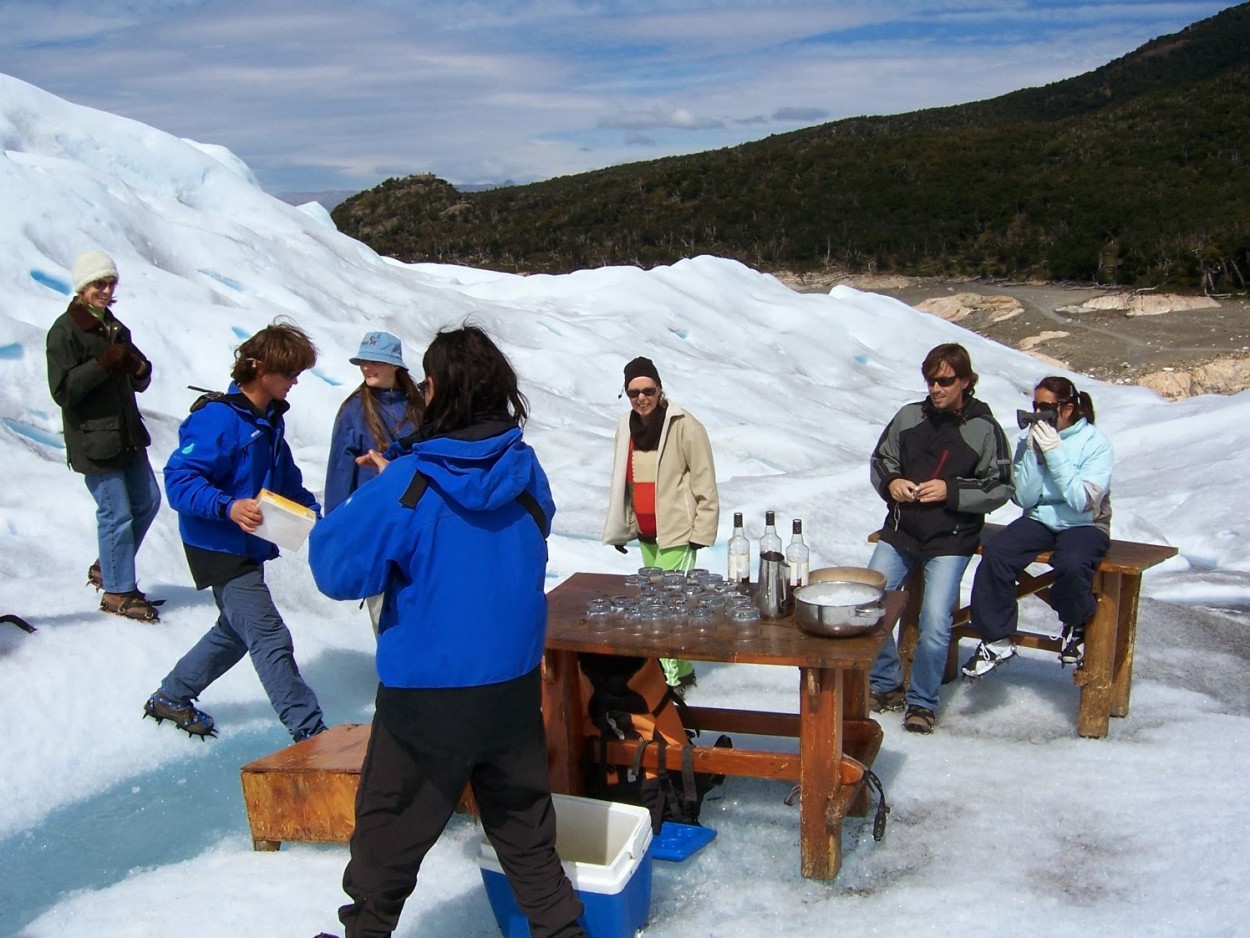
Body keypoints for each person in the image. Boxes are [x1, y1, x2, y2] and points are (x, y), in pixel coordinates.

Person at [308, 325, 584, 938]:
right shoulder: (523, 467)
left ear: (436, 391)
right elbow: (528, 528)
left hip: (427, 699)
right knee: (527, 836)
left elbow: (337, 568)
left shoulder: (409, 483)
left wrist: (383, 487)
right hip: (511, 689)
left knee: (388, 837)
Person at [143, 322, 328, 741]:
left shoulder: (267, 421)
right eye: (290, 373)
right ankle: (311, 734)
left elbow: (287, 483)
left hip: (245, 543)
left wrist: (319, 518)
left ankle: (172, 695)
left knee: (235, 631)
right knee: (268, 635)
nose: (296, 382)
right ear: (261, 371)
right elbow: (179, 480)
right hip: (216, 544)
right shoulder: (218, 420)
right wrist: (227, 507)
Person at [866, 343, 1013, 734]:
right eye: (931, 380)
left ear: (965, 381)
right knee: (867, 606)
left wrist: (951, 491)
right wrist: (892, 483)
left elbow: (1000, 486)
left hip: (951, 537)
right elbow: (881, 460)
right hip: (901, 531)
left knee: (934, 620)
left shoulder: (985, 428)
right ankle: (885, 683)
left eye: (945, 381)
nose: (936, 388)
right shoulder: (909, 417)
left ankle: (922, 703)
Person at [962, 376, 1114, 677]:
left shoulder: (1096, 444)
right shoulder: (1030, 439)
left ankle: (1076, 623)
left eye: (1045, 408)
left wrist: (1055, 454)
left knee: (1072, 563)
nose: (1037, 415)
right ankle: (996, 637)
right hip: (1040, 518)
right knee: (997, 554)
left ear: (1067, 409)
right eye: (1034, 407)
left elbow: (1081, 500)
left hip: (1084, 523)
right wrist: (1032, 455)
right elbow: (1024, 497)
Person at [46, 250, 162, 621]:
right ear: (83, 286)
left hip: (126, 435)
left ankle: (108, 566)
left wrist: (136, 365)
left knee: (147, 502)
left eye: (111, 282)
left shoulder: (113, 326)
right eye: (99, 283)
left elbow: (141, 377)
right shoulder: (65, 331)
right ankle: (117, 592)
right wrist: (101, 365)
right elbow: (63, 391)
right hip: (93, 440)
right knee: (117, 513)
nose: (106, 289)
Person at [602, 356, 719, 689]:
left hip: (677, 532)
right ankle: (682, 671)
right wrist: (623, 525)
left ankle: (666, 686)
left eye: (648, 390)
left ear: (659, 388)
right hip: (646, 533)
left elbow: (704, 480)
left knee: (661, 609)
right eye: (633, 392)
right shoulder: (625, 426)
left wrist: (702, 531)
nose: (642, 398)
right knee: (664, 603)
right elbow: (624, 480)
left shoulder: (684, 425)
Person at [324, 331, 424, 514]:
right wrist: (334, 523)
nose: (366, 368)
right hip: (369, 513)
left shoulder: (417, 406)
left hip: (412, 512)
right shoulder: (353, 410)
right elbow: (340, 472)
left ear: (395, 365)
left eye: (375, 362)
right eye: (363, 362)